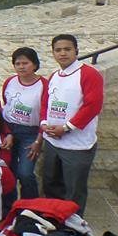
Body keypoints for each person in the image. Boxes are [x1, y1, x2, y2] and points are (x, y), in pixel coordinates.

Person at [41, 33, 103, 216]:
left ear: (76, 50)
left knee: (74, 190)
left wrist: (66, 128)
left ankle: (73, 227)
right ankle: (54, 219)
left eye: (67, 49)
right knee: (51, 184)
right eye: (58, 50)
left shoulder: (89, 74)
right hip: (52, 142)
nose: (62, 53)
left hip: (77, 145)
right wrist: (44, 123)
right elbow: (46, 102)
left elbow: (93, 106)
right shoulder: (54, 76)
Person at [1, 47, 46, 201]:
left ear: (34, 64)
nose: (21, 66)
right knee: (8, 171)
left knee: (25, 173)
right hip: (10, 130)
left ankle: (31, 206)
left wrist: (38, 141)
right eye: (17, 63)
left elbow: (46, 114)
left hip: (31, 133)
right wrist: (7, 133)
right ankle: (9, 206)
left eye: (25, 63)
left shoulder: (44, 85)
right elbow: (6, 106)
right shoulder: (10, 82)